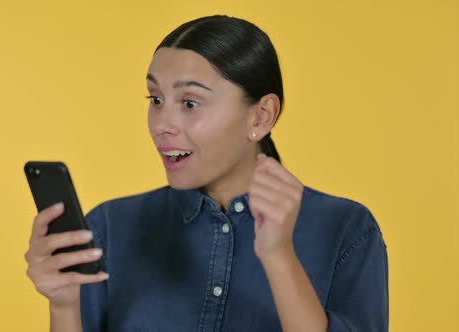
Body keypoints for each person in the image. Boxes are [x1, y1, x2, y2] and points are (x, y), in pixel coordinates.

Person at [24, 15, 389, 332]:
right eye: (155, 99)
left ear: (261, 116)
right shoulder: (109, 227)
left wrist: (279, 258)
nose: (162, 124)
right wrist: (63, 304)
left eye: (190, 103)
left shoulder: (346, 231)